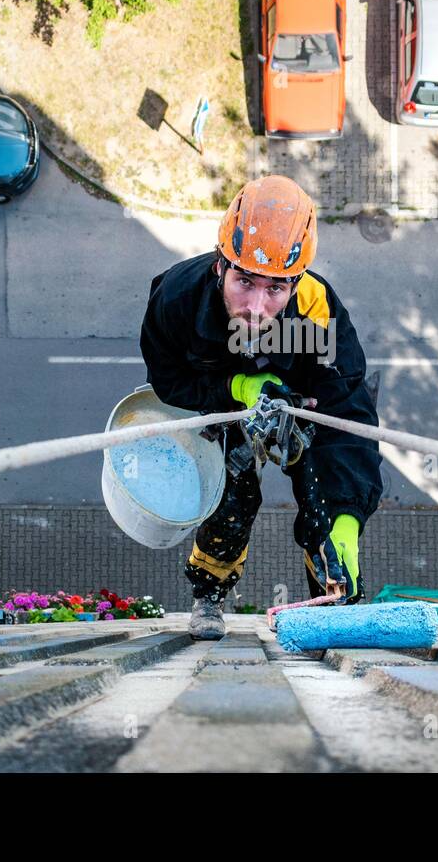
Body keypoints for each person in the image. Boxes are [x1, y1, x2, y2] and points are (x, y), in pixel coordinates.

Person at [139, 175, 383, 639]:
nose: (255, 306)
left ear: (296, 282)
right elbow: (170, 381)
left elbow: (346, 413)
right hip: (227, 407)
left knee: (324, 510)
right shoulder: (177, 301)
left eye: (275, 289)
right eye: (244, 282)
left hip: (296, 407)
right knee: (232, 499)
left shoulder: (316, 310)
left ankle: (332, 602)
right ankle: (209, 592)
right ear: (219, 267)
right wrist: (238, 386)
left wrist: (348, 516)